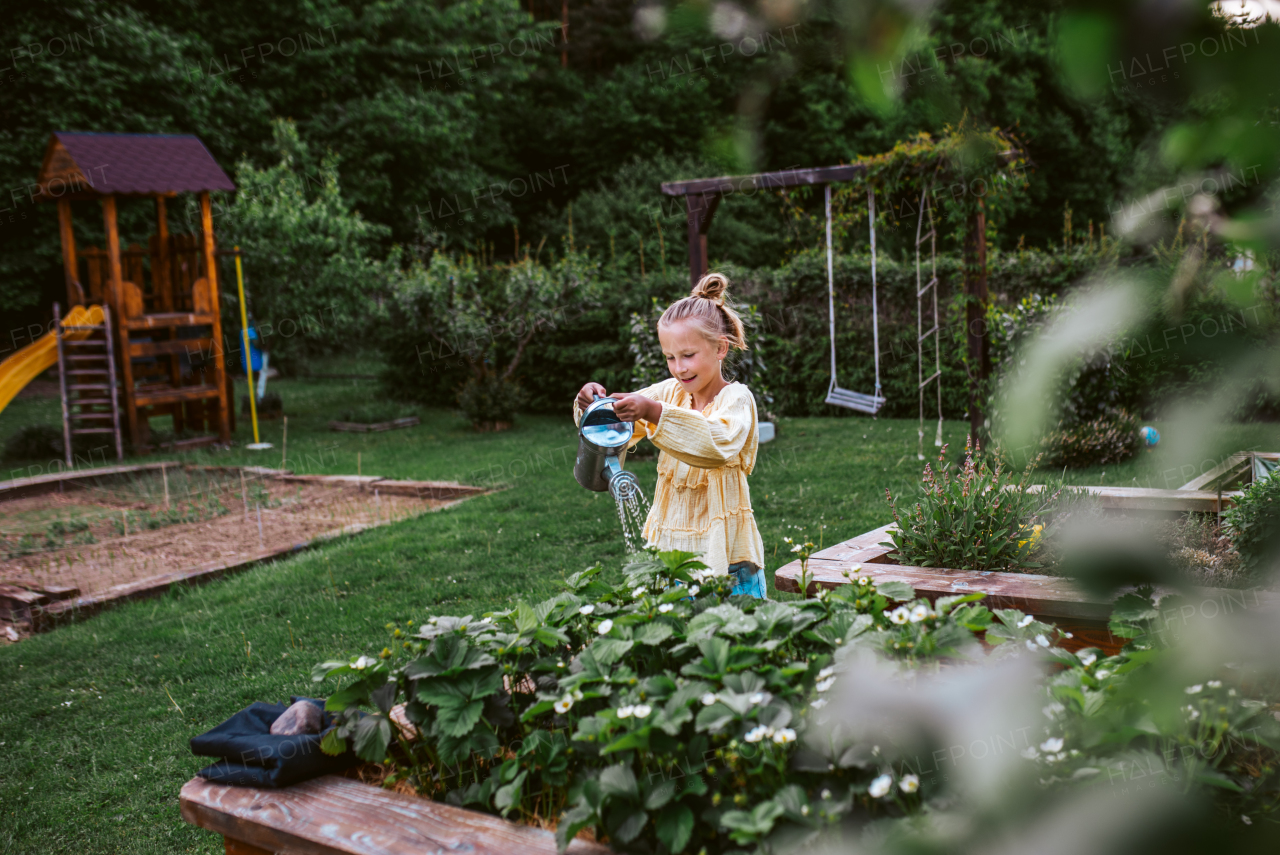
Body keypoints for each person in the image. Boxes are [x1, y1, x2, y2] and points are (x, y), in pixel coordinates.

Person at [574, 272, 766, 597]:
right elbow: (620, 425)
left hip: (726, 560)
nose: (679, 368)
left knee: (733, 639)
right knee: (676, 637)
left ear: (720, 347)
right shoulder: (670, 393)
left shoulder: (736, 400)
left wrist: (652, 412)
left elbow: (714, 445)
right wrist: (593, 406)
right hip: (672, 555)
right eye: (670, 358)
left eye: (688, 355)